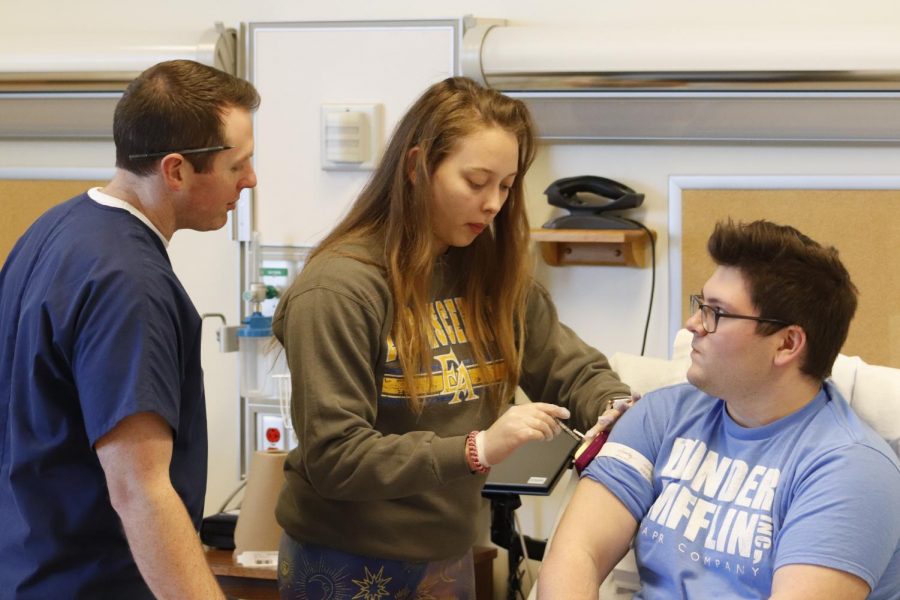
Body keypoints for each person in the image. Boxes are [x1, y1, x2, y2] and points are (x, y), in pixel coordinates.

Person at [272, 76, 632, 598]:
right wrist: (477, 448)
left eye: (506, 186)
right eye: (476, 181)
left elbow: (569, 370)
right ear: (417, 167)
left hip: (448, 552)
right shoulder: (339, 288)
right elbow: (335, 457)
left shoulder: (488, 276)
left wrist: (618, 410)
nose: (493, 204)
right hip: (345, 559)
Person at [0, 59, 259, 599]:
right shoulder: (129, 282)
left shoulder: (54, 229)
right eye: (238, 166)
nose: (250, 181)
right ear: (176, 170)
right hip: (93, 582)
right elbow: (139, 489)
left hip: (27, 568)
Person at [538, 220, 900, 599]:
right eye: (700, 304)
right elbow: (576, 553)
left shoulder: (851, 472)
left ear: (787, 343)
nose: (693, 324)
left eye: (717, 312)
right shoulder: (660, 415)